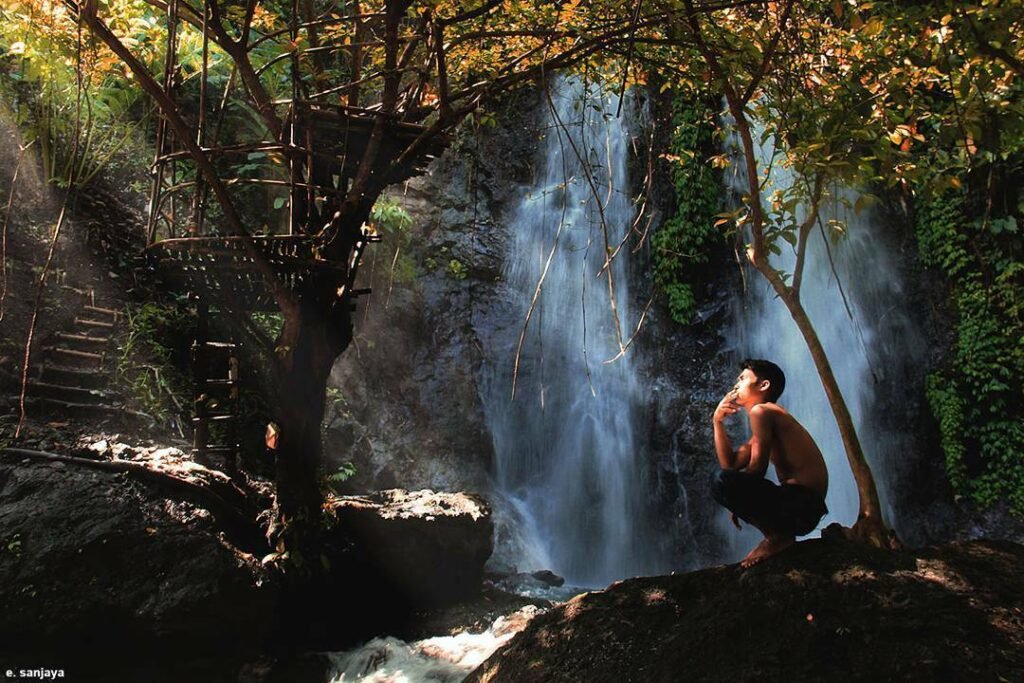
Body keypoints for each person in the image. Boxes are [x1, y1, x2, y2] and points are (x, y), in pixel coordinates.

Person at [710, 359, 829, 568]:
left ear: (763, 385)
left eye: (742, 378)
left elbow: (757, 470)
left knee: (722, 481)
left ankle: (776, 538)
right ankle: (779, 536)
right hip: (802, 510)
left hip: (801, 505)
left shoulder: (762, 411)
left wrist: (738, 497)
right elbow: (730, 465)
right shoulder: (765, 424)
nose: (735, 384)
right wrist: (717, 421)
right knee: (723, 480)